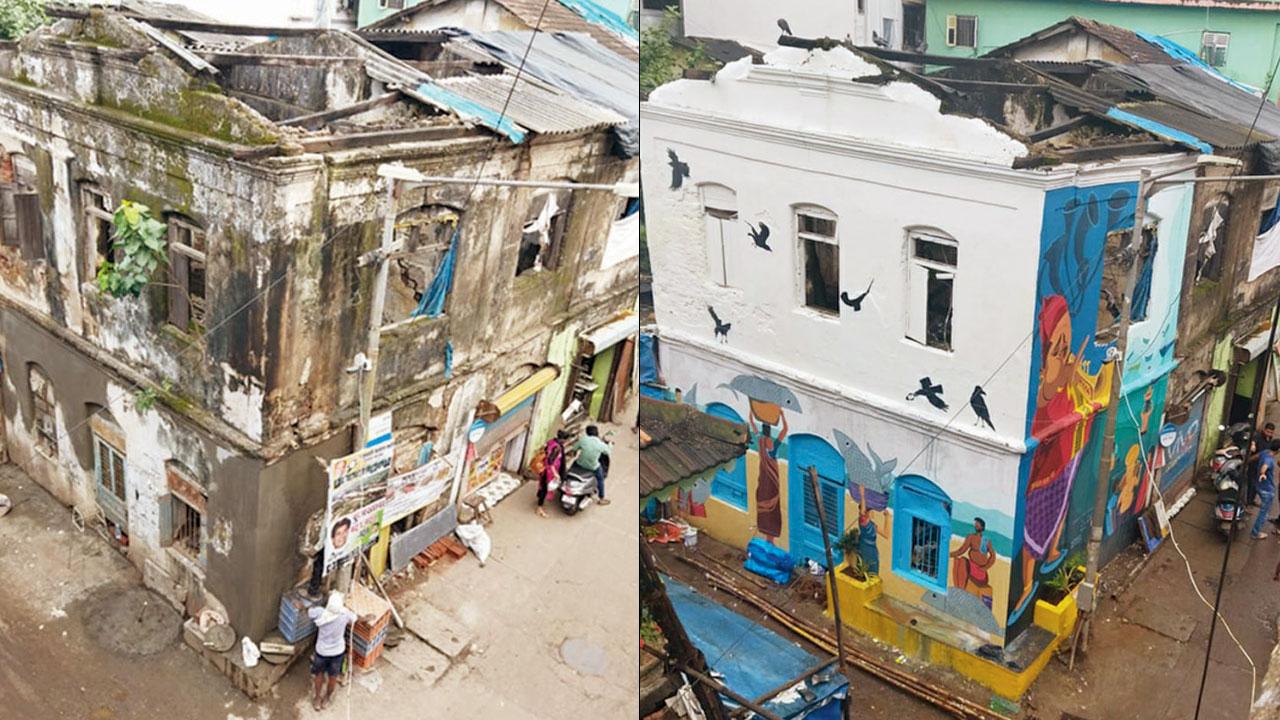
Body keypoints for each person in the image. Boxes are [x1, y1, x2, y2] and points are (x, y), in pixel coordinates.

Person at [307, 592, 363, 710]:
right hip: (337, 653)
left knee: (319, 675)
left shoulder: (320, 613)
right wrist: (367, 617)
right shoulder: (344, 615)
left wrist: (304, 606)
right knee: (333, 677)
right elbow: (356, 619)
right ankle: (327, 698)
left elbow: (309, 612)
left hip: (321, 652)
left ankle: (317, 699)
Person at [950, 518, 997, 609]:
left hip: (980, 570)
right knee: (960, 561)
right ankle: (960, 590)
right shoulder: (971, 537)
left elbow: (993, 556)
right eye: (975, 524)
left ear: (982, 527)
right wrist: (950, 554)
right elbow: (961, 550)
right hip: (971, 566)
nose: (976, 525)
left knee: (962, 561)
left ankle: (961, 592)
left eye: (978, 524)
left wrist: (985, 567)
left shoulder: (986, 541)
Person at [571, 425, 612, 506]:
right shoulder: (600, 444)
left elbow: (574, 448)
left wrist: (576, 451)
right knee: (600, 479)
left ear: (587, 432)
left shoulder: (583, 440)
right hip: (593, 467)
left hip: (580, 464)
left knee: (572, 467)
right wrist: (610, 444)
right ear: (597, 433)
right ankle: (601, 498)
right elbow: (608, 452)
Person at [537, 430, 569, 518]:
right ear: (564, 440)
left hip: (543, 468)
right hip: (549, 472)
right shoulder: (557, 448)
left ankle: (539, 498)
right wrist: (555, 473)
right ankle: (539, 509)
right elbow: (550, 461)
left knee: (542, 486)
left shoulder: (551, 442)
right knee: (545, 488)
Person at [1252, 439, 1279, 540]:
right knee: (1263, 513)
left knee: (1264, 512)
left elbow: (1256, 457)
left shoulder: (1265, 452)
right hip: (1267, 490)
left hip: (1259, 486)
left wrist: (1246, 461)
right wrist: (1263, 474)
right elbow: (1264, 467)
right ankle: (1255, 532)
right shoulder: (1269, 460)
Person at [1248, 423, 1276, 507]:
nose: (1269, 434)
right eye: (1267, 432)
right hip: (1254, 463)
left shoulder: (1270, 440)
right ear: (1264, 430)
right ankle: (1247, 502)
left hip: (1263, 465)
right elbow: (1253, 441)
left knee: (1257, 484)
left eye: (1271, 432)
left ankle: (1251, 500)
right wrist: (1253, 445)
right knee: (1251, 484)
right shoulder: (1258, 437)